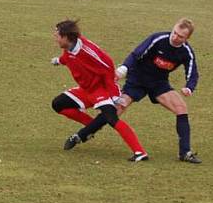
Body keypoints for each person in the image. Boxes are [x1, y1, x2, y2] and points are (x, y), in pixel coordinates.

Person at [66, 18, 201, 163]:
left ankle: (185, 152)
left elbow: (193, 71)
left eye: (180, 36)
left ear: (187, 38)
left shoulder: (186, 51)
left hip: (158, 83)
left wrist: (189, 87)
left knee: (181, 108)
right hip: (137, 80)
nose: (175, 37)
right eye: (174, 32)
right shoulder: (158, 39)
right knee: (114, 111)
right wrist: (123, 69)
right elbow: (136, 54)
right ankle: (80, 135)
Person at [50, 19, 148, 162]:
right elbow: (67, 57)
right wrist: (59, 61)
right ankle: (90, 128)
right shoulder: (69, 46)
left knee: (111, 117)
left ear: (66, 37)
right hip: (86, 89)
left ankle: (140, 152)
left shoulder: (88, 52)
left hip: (100, 89)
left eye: (57, 35)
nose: (55, 37)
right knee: (58, 104)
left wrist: (114, 96)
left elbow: (108, 68)